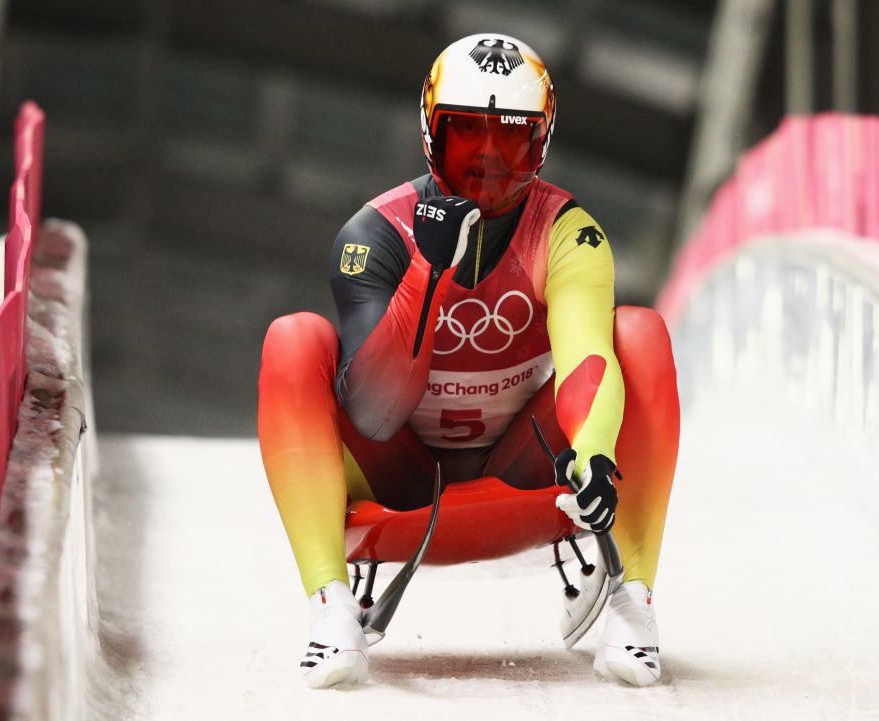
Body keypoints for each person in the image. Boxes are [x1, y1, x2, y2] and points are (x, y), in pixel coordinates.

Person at [257, 32, 680, 689]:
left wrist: (594, 452)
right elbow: (374, 408)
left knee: (641, 330)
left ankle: (633, 601)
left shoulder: (569, 232)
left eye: (509, 139)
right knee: (292, 337)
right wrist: (427, 269)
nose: (487, 160)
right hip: (397, 472)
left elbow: (587, 355)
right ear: (432, 136)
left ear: (538, 145)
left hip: (525, 467)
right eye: (466, 137)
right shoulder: (374, 234)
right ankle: (329, 604)